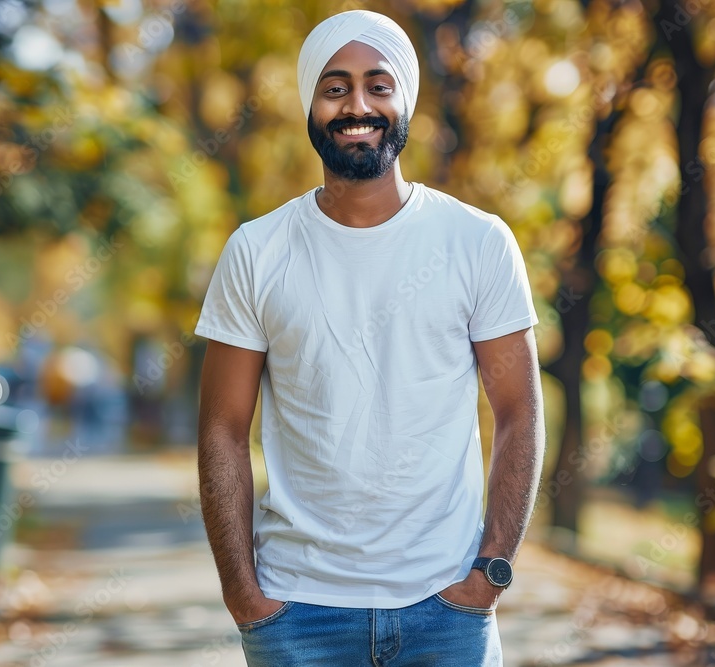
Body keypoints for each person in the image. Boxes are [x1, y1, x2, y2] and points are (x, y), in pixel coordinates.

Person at [194, 9, 545, 666]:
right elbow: (222, 428)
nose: (357, 106)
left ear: (405, 100)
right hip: (297, 614)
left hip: (447, 611)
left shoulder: (478, 242)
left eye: (378, 86)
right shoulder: (256, 251)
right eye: (335, 88)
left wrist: (489, 572)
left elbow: (520, 412)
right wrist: (243, 596)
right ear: (311, 106)